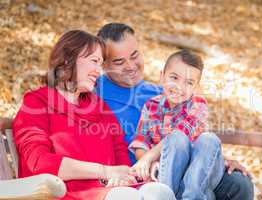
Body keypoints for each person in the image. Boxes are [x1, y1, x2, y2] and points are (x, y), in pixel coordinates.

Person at [96, 23, 254, 200]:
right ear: (103, 64)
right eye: (119, 61)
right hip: (142, 175)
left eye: (134, 56)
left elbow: (193, 132)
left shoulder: (160, 93)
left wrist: (221, 160)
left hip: (186, 167)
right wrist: (149, 161)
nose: (131, 66)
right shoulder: (95, 93)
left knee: (240, 184)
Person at [12, 30, 175, 200]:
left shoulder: (97, 105)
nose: (98, 71)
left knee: (159, 191)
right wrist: (104, 171)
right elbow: (39, 162)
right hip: (63, 192)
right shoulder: (37, 103)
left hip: (109, 189)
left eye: (101, 63)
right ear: (69, 59)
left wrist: (123, 176)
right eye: (94, 62)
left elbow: (119, 150)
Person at [129, 49, 225, 199]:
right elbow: (142, 141)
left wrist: (150, 157)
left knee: (208, 139)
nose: (179, 87)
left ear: (196, 87)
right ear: (162, 77)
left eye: (189, 83)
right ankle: (166, 195)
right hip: (170, 172)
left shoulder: (198, 105)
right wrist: (148, 161)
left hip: (200, 170)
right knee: (175, 140)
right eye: (174, 77)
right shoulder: (151, 105)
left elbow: (181, 133)